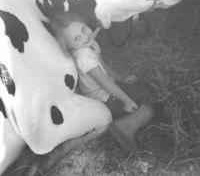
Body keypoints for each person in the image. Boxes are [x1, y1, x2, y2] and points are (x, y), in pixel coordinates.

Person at [50, 11, 154, 153]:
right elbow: (104, 82)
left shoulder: (85, 47)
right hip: (107, 100)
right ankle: (126, 126)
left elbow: (104, 67)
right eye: (76, 38)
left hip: (108, 92)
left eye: (83, 29)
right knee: (149, 95)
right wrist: (126, 100)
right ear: (70, 47)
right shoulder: (84, 56)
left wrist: (122, 79)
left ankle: (131, 119)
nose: (85, 36)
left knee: (145, 91)